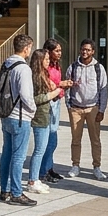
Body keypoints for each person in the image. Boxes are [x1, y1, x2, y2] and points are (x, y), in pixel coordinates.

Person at [0, 33, 37, 207]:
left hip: (6, 114)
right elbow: (26, 95)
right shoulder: (23, 68)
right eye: (30, 47)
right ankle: (16, 193)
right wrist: (33, 109)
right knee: (18, 157)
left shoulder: (6, 63)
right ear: (26, 48)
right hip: (20, 117)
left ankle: (4, 190)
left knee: (7, 153)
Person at [64, 39, 108, 180]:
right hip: (76, 108)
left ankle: (97, 167)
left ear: (93, 52)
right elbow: (67, 87)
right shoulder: (73, 67)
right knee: (75, 139)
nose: (85, 52)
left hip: (92, 108)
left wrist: (101, 110)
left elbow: (103, 90)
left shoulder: (98, 68)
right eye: (83, 49)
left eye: (88, 50)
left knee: (95, 140)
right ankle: (75, 165)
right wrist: (69, 106)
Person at [24, 49, 62, 195]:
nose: (48, 61)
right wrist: (53, 93)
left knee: (44, 148)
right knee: (39, 150)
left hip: (46, 116)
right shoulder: (35, 77)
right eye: (46, 59)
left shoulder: (44, 75)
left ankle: (36, 178)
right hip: (39, 117)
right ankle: (32, 180)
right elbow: (36, 99)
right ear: (39, 61)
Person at [41, 39, 70, 183]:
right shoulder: (44, 66)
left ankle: (49, 168)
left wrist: (64, 85)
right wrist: (61, 84)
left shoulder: (56, 64)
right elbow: (47, 84)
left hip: (57, 101)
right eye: (56, 51)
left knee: (53, 138)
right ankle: (43, 171)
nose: (59, 53)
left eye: (60, 51)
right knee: (49, 141)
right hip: (48, 102)